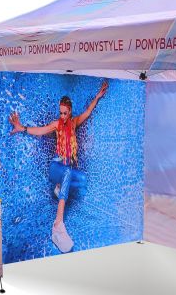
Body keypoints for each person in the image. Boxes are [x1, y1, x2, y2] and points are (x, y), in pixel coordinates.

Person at [9, 81, 108, 253]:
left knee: (82, 179)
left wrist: (98, 96)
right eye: (60, 112)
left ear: (70, 112)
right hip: (56, 167)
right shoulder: (56, 125)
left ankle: (60, 188)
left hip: (66, 171)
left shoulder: (74, 122)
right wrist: (21, 128)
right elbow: (40, 130)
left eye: (65, 113)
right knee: (68, 171)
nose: (62, 116)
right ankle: (58, 224)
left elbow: (88, 112)